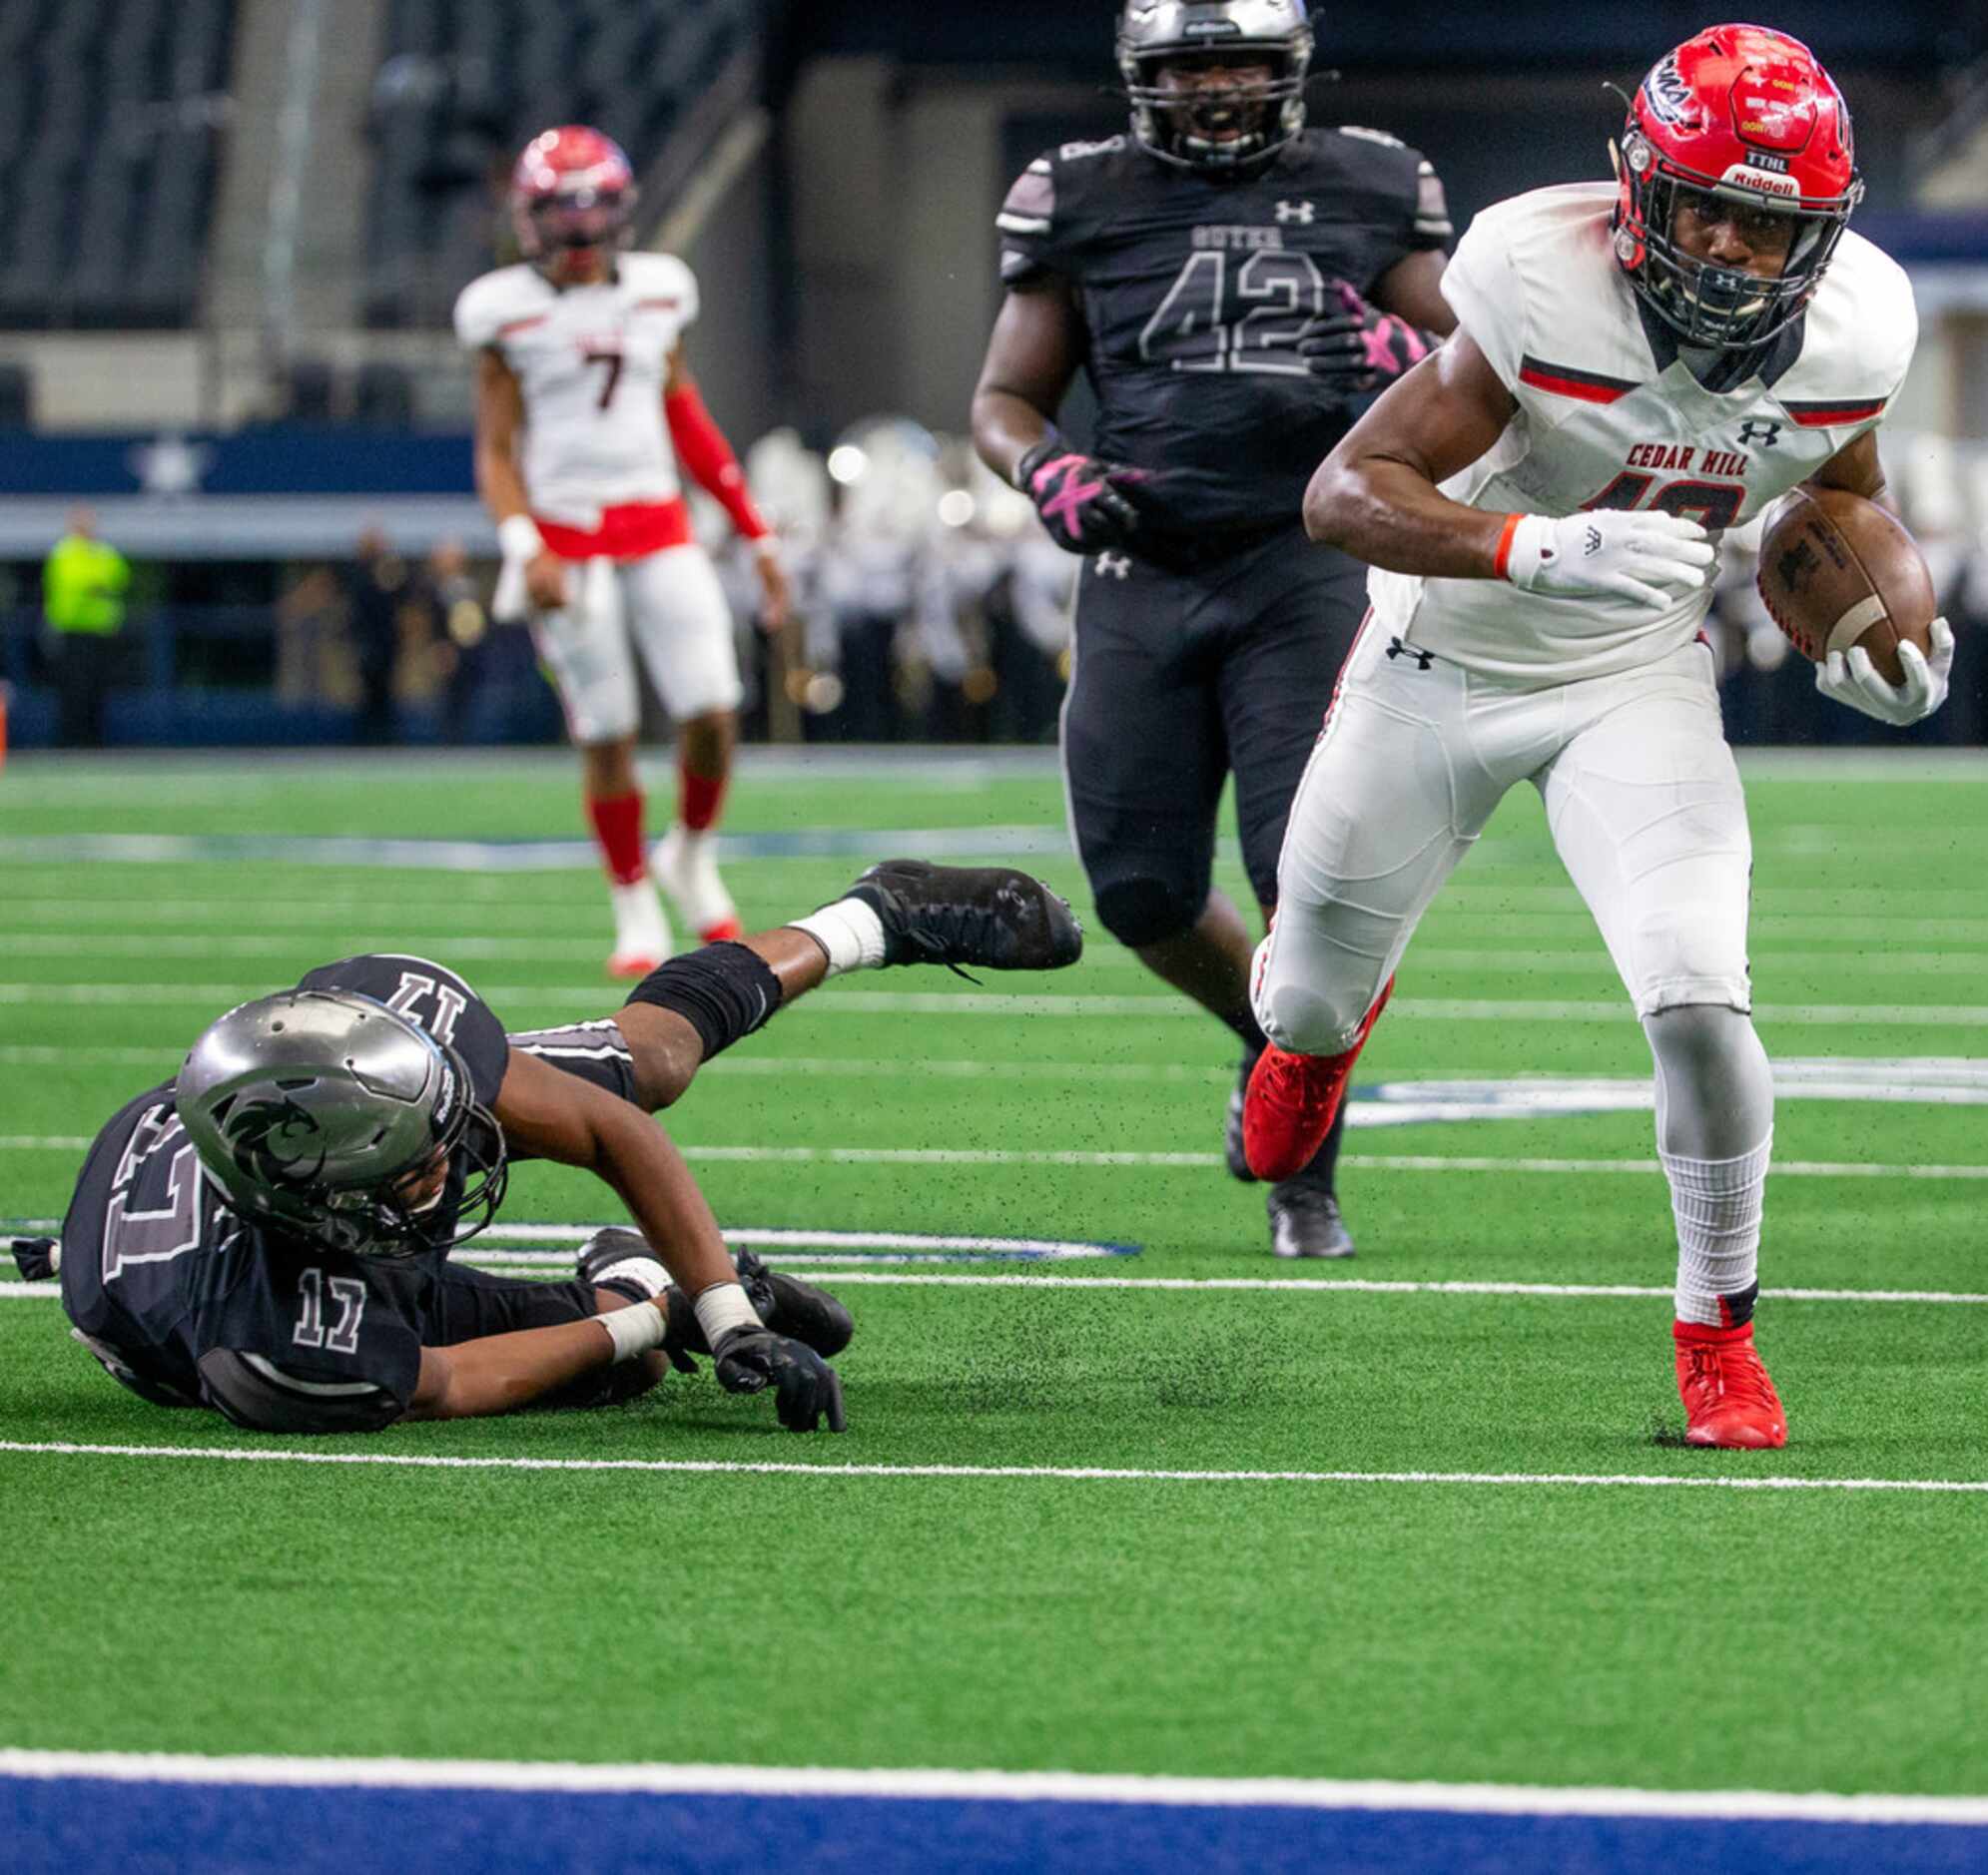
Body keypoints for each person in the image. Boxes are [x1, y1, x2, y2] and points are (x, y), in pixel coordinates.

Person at [1242, 25, 1954, 1448]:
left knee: (1698, 997)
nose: (1736, 253)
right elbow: (1342, 491)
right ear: (1638, 191)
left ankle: (1717, 1337)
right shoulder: (1534, 286)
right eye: (1707, 208)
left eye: (1773, 225)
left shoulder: (1853, 333)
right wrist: (1522, 543)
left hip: (1636, 674)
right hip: (1434, 663)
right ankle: (1323, 1036)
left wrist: (1875, 639)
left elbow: (1833, 500)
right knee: (1298, 1007)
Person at [13, 863, 1082, 1436]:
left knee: (650, 1064)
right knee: (635, 1369)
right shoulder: (261, 1348)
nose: (454, 1167)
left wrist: (725, 1309)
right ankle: (629, 1271)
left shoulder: (370, 1050)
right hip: (296, 1293)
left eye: (435, 1135)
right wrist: (653, 1320)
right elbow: (441, 1386)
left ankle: (873, 916)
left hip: (312, 1174)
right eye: (415, 1169)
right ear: (315, 1204)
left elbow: (613, 1130)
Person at [970, 0, 1456, 1259]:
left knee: (1306, 883)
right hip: (1140, 561)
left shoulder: (1368, 181)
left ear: (1290, 68)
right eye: (1192, 65)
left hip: (1307, 562)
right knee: (1137, 891)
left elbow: (1478, 365)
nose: (1220, 87)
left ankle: (1307, 1178)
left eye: (1241, 59)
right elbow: (1006, 397)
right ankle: (1263, 1035)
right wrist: (1044, 471)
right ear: (1142, 78)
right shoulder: (1079, 194)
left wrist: (1404, 346)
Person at [456, 126, 792, 976]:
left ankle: (691, 852)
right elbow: (496, 452)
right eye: (560, 223)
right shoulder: (504, 310)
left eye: (590, 219)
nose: (577, 241)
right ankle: (633, 897)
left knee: (713, 708)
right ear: (530, 223)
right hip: (566, 544)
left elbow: (686, 413)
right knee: (607, 732)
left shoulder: (659, 291)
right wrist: (522, 541)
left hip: (657, 525)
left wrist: (754, 528)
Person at [41, 505, 131, 748]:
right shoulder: (64, 552)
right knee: (73, 690)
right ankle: (70, 741)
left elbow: (120, 576)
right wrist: (95, 585)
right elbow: (74, 582)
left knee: (97, 690)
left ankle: (93, 742)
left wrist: (96, 585)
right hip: (72, 632)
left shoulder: (102, 552)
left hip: (100, 632)